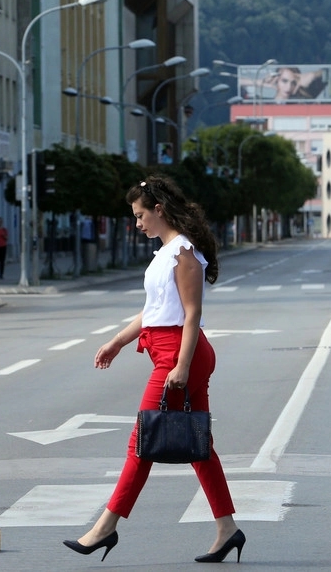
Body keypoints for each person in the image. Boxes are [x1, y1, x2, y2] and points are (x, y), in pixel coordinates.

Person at [65, 176, 244, 564]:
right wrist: (117, 341)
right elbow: (153, 312)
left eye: (140, 215)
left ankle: (105, 527)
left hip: (181, 356)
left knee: (142, 441)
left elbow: (192, 314)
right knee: (199, 447)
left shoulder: (184, 254)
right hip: (170, 352)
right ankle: (228, 529)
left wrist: (180, 365)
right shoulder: (164, 253)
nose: (138, 223)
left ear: (159, 210)